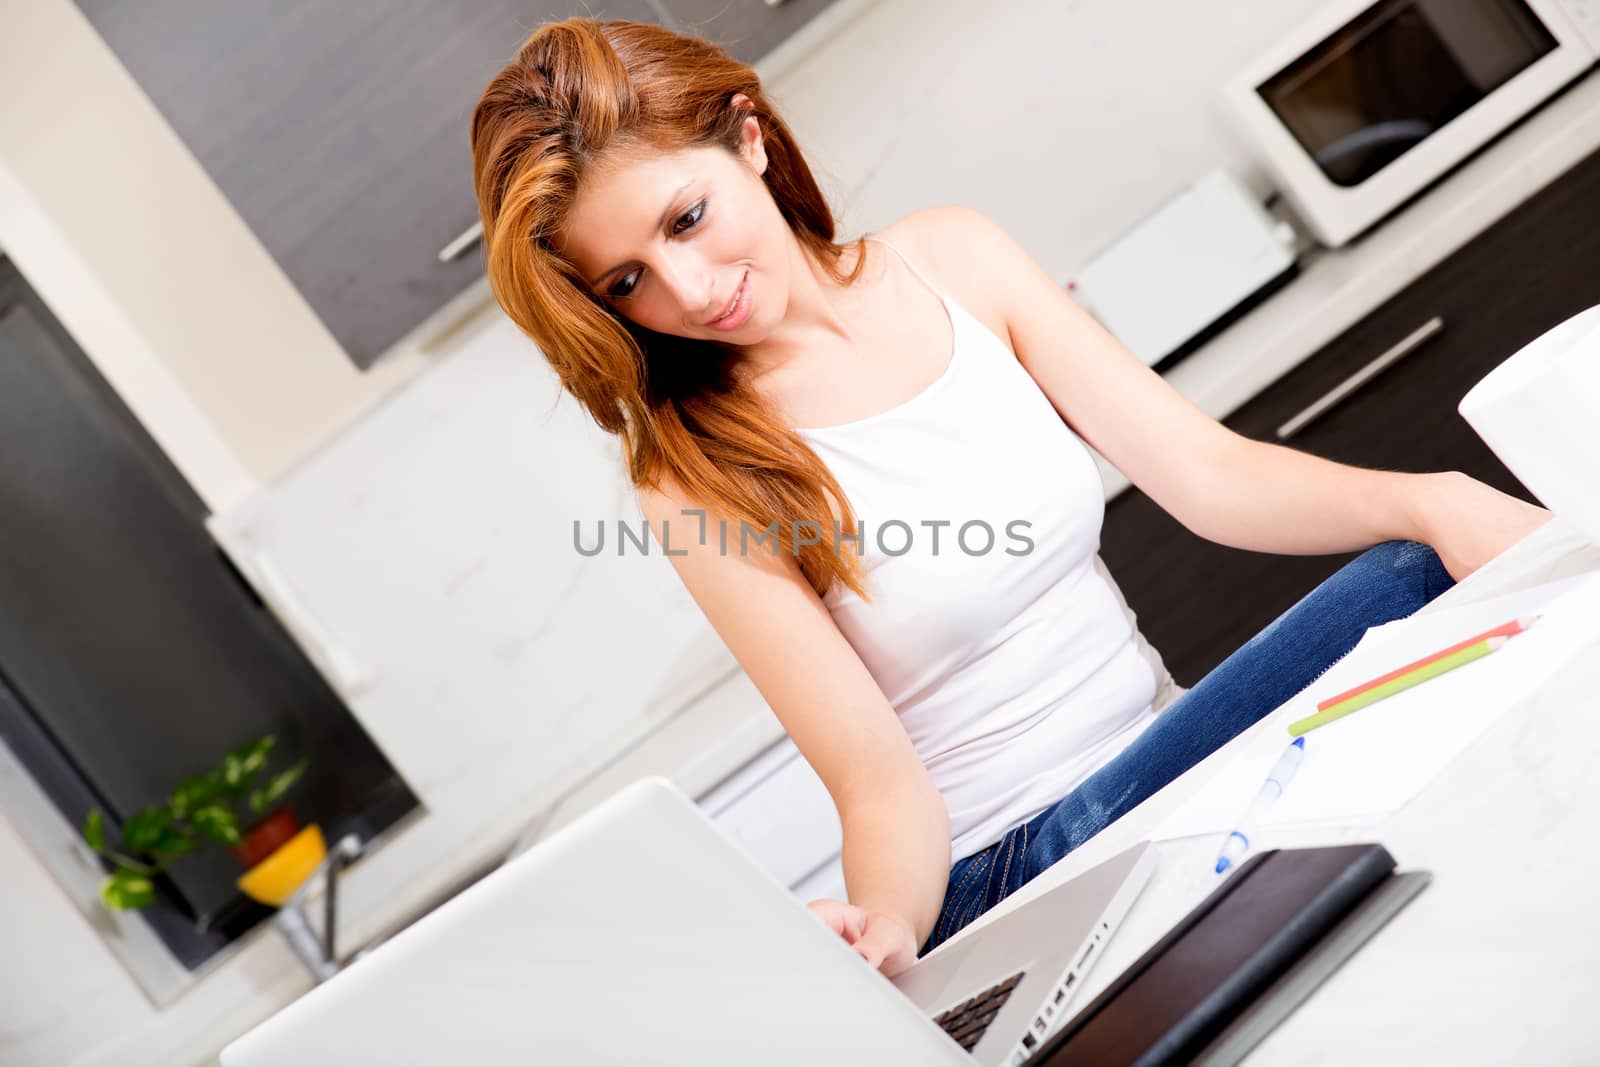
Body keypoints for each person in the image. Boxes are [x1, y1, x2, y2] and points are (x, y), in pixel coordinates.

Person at [470, 18, 1552, 979]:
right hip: (1019, 866)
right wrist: (887, 929)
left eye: (687, 218)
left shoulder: (953, 257)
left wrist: (1430, 497)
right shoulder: (690, 475)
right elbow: (877, 783)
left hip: (1164, 756)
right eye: (627, 283)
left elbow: (1207, 476)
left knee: (1443, 585)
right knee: (1408, 584)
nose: (688, 290)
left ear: (746, 138)